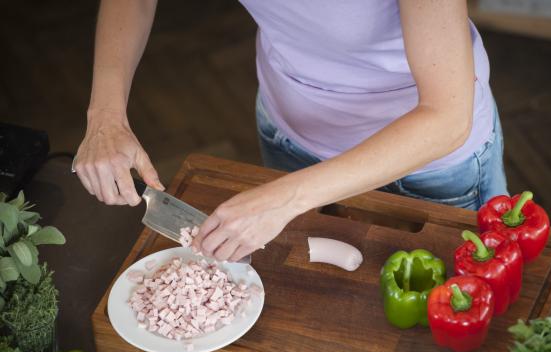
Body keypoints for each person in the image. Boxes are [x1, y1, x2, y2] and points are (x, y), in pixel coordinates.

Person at [74, 0, 508, 263]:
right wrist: (105, 116)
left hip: (424, 165)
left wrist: (284, 199)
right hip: (290, 135)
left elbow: (448, 117)